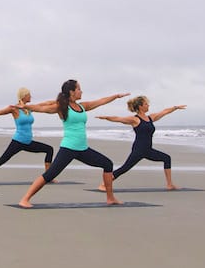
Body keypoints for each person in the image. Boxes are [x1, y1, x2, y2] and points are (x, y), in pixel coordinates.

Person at [17, 79, 129, 208]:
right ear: (71, 92)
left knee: (107, 164)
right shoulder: (62, 107)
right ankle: (25, 199)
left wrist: (115, 96)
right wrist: (26, 106)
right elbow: (43, 108)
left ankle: (110, 198)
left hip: (82, 149)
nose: (81, 91)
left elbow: (100, 102)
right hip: (68, 148)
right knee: (50, 175)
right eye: (79, 89)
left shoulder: (82, 106)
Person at [96, 95, 186, 190]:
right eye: (146, 104)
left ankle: (169, 184)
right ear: (140, 106)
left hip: (148, 150)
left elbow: (164, 112)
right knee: (125, 168)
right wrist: (106, 117)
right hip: (138, 150)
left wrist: (175, 108)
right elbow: (119, 119)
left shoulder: (151, 118)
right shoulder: (135, 119)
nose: (148, 105)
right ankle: (103, 184)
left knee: (167, 158)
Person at [0, 88, 55, 185]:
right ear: (24, 96)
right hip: (18, 141)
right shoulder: (14, 108)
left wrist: (64, 100)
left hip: (28, 142)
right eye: (29, 95)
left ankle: (48, 177)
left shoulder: (29, 108)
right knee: (2, 160)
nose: (31, 96)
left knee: (49, 149)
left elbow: (47, 103)